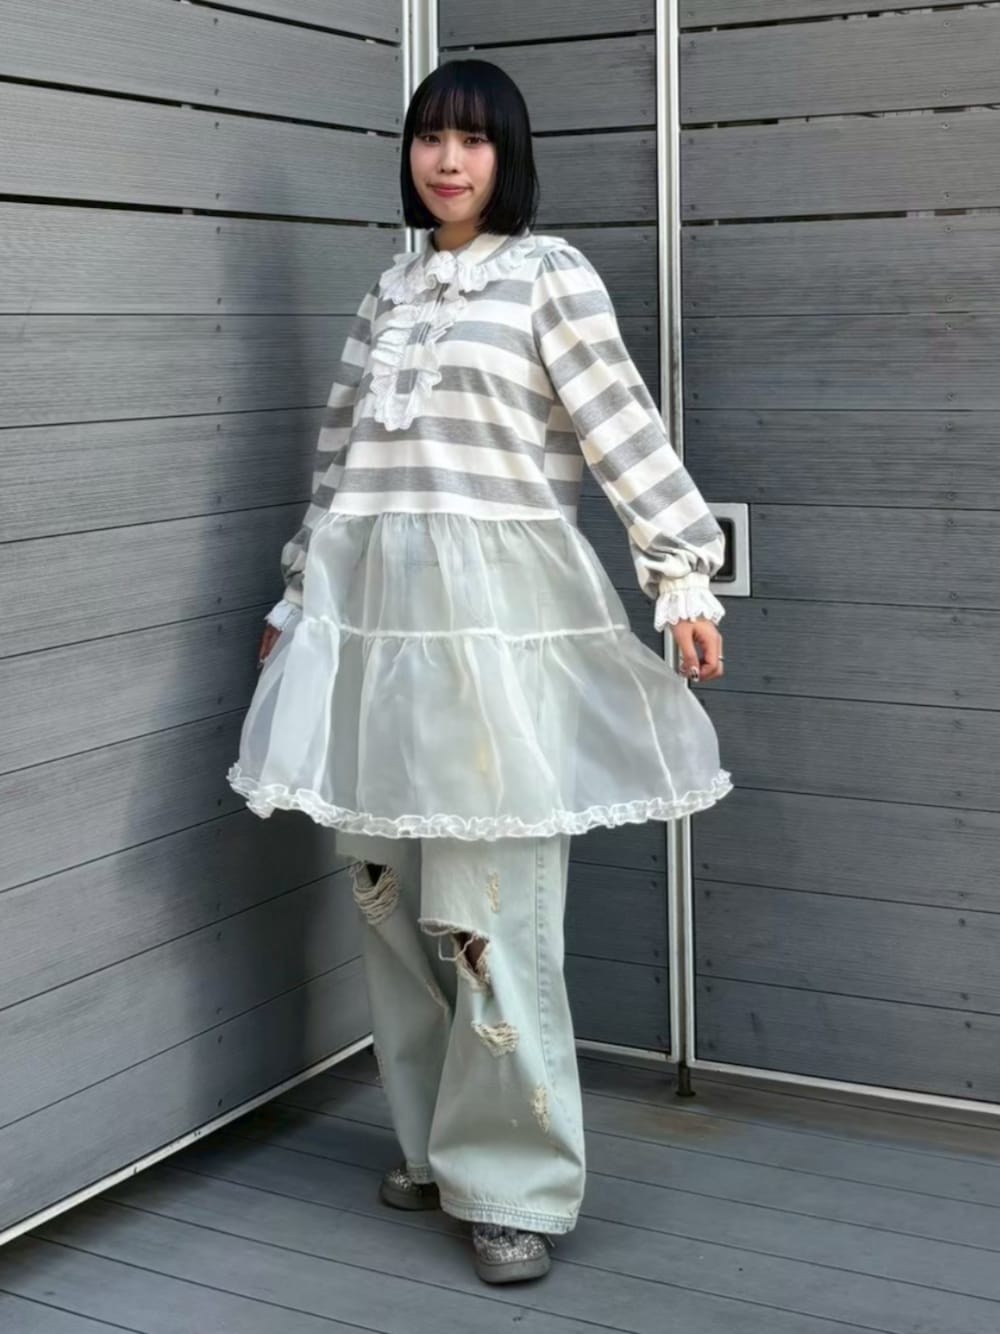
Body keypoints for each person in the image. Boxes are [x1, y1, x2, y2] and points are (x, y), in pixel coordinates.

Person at [227, 58, 732, 1285]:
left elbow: (622, 429)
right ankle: (436, 1147)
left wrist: (679, 574)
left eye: (473, 140)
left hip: (496, 635)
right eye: (428, 139)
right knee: (386, 895)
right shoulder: (388, 291)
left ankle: (515, 1186)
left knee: (490, 908)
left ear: (509, 156)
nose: (447, 161)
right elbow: (340, 464)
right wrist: (297, 592)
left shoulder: (548, 275)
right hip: (370, 631)